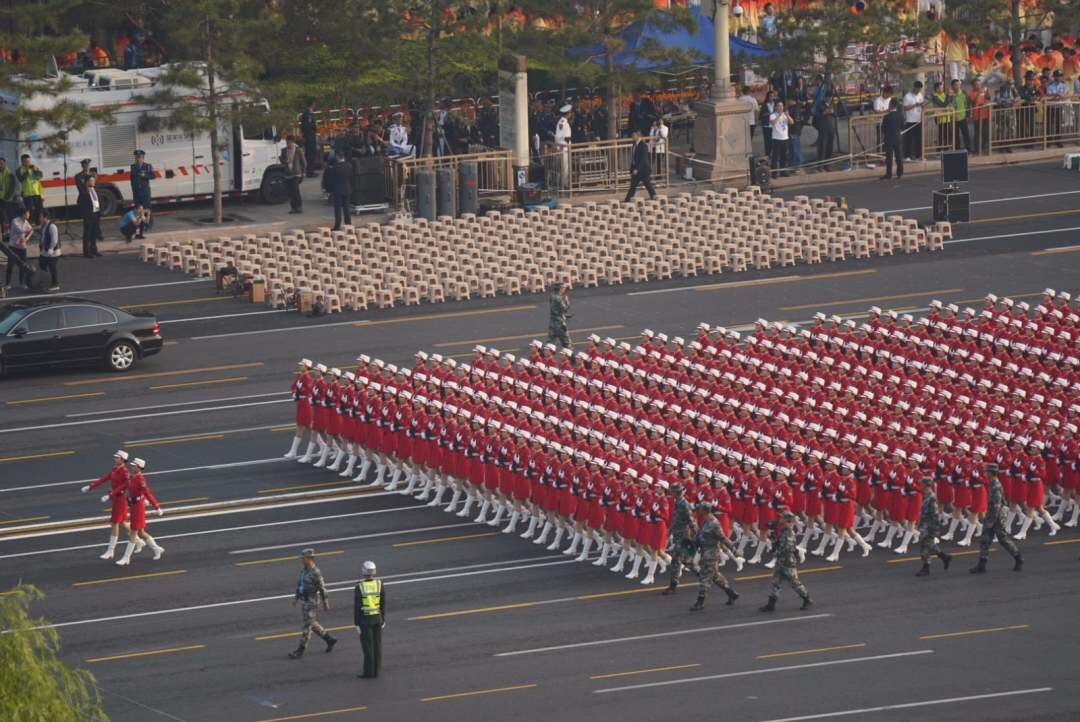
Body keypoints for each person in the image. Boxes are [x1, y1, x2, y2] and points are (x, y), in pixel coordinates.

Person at [81, 450, 138, 560]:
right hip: (115, 498)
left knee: (114, 523)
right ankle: (138, 541)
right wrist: (90, 486)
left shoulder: (125, 472)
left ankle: (111, 550)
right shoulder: (115, 469)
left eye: (117, 457)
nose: (115, 459)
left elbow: (125, 485)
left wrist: (110, 494)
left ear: (122, 460)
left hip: (120, 499)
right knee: (121, 523)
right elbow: (104, 478)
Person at [971, 463, 1023, 574]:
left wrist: (991, 521)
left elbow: (997, 505)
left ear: (990, 473)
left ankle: (1018, 558)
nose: (984, 473)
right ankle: (982, 564)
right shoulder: (992, 483)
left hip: (997, 516)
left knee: (1003, 539)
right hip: (992, 514)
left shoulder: (995, 486)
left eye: (986, 472)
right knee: (985, 539)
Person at [113, 458, 165, 566]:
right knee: (141, 532)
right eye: (132, 465)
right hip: (134, 506)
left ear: (139, 467)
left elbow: (148, 493)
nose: (132, 467)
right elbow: (127, 488)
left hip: (138, 508)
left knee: (133, 533)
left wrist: (156, 507)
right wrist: (113, 494)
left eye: (135, 466)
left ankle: (126, 558)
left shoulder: (140, 480)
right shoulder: (132, 477)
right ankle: (157, 549)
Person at [689, 503, 740, 611]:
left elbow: (723, 538)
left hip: (711, 554)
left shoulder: (714, 523)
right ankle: (731, 593)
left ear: (705, 511)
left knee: (705, 577)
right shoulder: (705, 520)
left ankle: (700, 601)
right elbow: (700, 534)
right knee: (715, 576)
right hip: (704, 551)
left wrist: (734, 551)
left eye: (700, 509)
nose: (698, 510)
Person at [289, 548, 338, 659]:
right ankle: (329, 639)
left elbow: (322, 588)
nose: (301, 560)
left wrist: (326, 602)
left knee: (307, 626)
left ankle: (301, 649)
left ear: (309, 559)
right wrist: (296, 598)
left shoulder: (316, 572)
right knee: (311, 623)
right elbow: (300, 585)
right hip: (304, 600)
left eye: (303, 558)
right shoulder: (304, 570)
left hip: (311, 602)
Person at [760, 510, 812, 612]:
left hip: (787, 562)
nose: (780, 519)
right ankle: (771, 604)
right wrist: (772, 536)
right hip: (781, 561)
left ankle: (807, 599)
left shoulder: (788, 533)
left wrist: (775, 551)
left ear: (788, 520)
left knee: (795, 583)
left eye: (782, 518)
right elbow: (778, 542)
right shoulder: (783, 530)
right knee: (776, 582)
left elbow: (786, 549)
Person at [662, 483, 697, 595]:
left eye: (672, 491)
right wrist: (669, 531)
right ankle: (706, 576)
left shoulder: (684, 504)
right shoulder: (677, 502)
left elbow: (691, 521)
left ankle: (673, 586)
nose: (670, 493)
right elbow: (676, 519)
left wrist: (698, 535)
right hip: (678, 534)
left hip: (683, 536)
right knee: (687, 561)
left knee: (676, 560)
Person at [353, 559, 385, 678]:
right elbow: (382, 603)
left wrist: (356, 624)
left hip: (365, 621)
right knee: (377, 646)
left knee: (368, 648)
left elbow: (357, 607)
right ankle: (376, 671)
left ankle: (368, 672)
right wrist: (383, 619)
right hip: (377, 619)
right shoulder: (379, 584)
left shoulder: (359, 586)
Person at [915, 476, 952, 576]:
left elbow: (935, 514)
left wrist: (936, 528)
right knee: (927, 544)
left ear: (924, 484)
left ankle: (926, 567)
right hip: (924, 524)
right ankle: (944, 557)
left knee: (925, 545)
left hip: (929, 525)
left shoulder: (931, 497)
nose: (920, 485)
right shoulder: (925, 495)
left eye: (921, 483)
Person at [3, 206, 32, 290]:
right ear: (23, 214)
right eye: (28, 213)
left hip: (22, 247)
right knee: (10, 266)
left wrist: (27, 238)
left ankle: (21, 283)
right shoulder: (15, 221)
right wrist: (30, 230)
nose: (29, 215)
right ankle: (8, 284)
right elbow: (20, 230)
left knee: (23, 265)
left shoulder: (26, 222)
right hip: (13, 247)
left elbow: (31, 230)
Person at [323, 152, 352, 231]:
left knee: (338, 209)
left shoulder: (335, 167)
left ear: (338, 157)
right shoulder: (349, 165)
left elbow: (331, 179)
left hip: (338, 190)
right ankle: (348, 224)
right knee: (346, 208)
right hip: (347, 189)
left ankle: (337, 225)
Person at [624, 130, 655, 202]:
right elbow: (634, 158)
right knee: (633, 186)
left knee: (648, 185)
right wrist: (632, 168)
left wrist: (637, 169)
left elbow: (643, 159)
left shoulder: (643, 145)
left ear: (638, 136)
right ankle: (627, 200)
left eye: (633, 136)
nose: (632, 137)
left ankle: (654, 197)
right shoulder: (634, 144)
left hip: (643, 169)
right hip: (636, 169)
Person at [79, 175, 103, 258]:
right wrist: (85, 214)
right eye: (91, 180)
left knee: (94, 233)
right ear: (87, 182)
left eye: (94, 180)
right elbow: (80, 204)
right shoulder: (83, 192)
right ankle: (86, 252)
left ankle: (94, 250)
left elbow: (98, 201)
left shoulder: (95, 190)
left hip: (96, 214)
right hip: (89, 216)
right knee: (87, 234)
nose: (94, 182)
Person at [880, 97, 904, 180]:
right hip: (898, 138)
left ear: (891, 105)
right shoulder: (900, 115)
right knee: (899, 156)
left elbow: (883, 129)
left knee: (889, 157)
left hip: (888, 139)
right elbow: (902, 126)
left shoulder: (886, 117)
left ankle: (889, 174)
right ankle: (900, 173)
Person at [37, 208, 60, 291]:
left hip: (52, 252)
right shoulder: (44, 226)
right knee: (42, 265)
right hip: (44, 251)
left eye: (41, 217)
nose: (39, 218)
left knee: (52, 268)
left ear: (45, 217)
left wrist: (51, 249)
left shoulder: (52, 226)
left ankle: (55, 284)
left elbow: (54, 240)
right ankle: (45, 281)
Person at [15, 154, 43, 224]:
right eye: (25, 161)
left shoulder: (34, 167)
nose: (28, 163)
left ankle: (38, 224)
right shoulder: (19, 170)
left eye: (29, 161)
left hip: (36, 193)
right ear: (22, 162)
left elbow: (40, 176)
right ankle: (30, 224)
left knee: (39, 210)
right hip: (27, 194)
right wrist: (27, 170)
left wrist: (35, 170)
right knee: (29, 211)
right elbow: (20, 178)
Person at [901, 81, 925, 160]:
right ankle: (907, 155)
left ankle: (918, 155)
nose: (918, 91)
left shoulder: (920, 95)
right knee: (909, 139)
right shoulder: (907, 96)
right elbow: (905, 108)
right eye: (917, 89)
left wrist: (923, 106)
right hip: (910, 120)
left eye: (920, 89)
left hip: (918, 120)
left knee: (919, 139)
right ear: (914, 87)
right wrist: (915, 105)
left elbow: (922, 106)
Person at [283, 136, 306, 214]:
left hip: (296, 173)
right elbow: (282, 161)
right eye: (287, 142)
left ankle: (299, 206)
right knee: (290, 191)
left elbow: (304, 162)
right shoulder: (284, 150)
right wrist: (284, 160)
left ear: (293, 142)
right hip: (287, 173)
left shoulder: (298, 150)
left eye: (289, 142)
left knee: (295, 190)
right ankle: (293, 207)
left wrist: (303, 172)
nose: (288, 144)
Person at [768, 100, 792, 174]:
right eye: (778, 106)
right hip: (776, 138)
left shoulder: (785, 115)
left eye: (781, 106)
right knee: (775, 157)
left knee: (784, 156)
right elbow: (773, 123)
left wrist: (787, 115)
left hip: (785, 138)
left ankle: (783, 171)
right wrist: (779, 115)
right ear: (775, 107)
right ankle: (774, 172)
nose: (780, 107)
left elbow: (791, 122)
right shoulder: (773, 115)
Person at [968, 78, 991, 154]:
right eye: (976, 85)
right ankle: (977, 149)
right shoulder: (971, 93)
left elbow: (988, 99)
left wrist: (987, 93)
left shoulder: (984, 91)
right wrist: (979, 93)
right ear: (973, 86)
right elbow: (974, 102)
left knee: (985, 132)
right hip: (977, 116)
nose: (978, 86)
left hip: (985, 115)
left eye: (979, 84)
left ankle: (985, 148)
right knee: (977, 133)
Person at [948, 79, 971, 151]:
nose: (958, 86)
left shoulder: (963, 93)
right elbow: (947, 104)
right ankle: (957, 149)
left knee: (965, 133)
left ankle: (968, 148)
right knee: (955, 135)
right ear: (952, 86)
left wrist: (967, 114)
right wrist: (949, 96)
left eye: (959, 84)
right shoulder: (950, 95)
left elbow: (967, 104)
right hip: (953, 118)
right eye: (956, 85)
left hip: (962, 117)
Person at [547, 283, 572, 349]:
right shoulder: (559, 299)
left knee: (550, 342)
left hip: (552, 321)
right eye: (563, 288)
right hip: (560, 323)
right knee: (567, 343)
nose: (564, 289)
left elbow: (556, 309)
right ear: (560, 289)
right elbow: (565, 308)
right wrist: (567, 301)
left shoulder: (551, 296)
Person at [129, 149, 153, 215]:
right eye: (136, 157)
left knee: (147, 209)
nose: (138, 159)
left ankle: (148, 224)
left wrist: (145, 175)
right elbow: (131, 179)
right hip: (136, 192)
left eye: (139, 157)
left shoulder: (148, 166)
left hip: (145, 191)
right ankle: (140, 224)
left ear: (143, 158)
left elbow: (153, 176)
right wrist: (133, 189)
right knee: (138, 210)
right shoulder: (133, 167)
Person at [554, 103, 572, 189]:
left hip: (566, 147)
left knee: (566, 168)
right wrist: (562, 144)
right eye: (570, 112)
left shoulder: (565, 122)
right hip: (563, 148)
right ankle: (564, 186)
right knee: (564, 168)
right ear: (567, 113)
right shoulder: (562, 123)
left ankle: (565, 184)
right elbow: (558, 137)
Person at [300, 101, 319, 177]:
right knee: (311, 154)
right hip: (310, 136)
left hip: (308, 136)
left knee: (310, 154)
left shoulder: (305, 114)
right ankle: (310, 172)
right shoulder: (308, 114)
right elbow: (310, 125)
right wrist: (315, 127)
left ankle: (310, 170)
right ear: (312, 105)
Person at [0, 157, 18, 231]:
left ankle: (10, 233)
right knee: (1, 217)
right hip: (0, 199)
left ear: (5, 163)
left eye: (1, 163)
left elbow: (12, 188)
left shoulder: (10, 174)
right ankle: (3, 234)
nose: (0, 165)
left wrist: (7, 198)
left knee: (9, 216)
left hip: (8, 200)